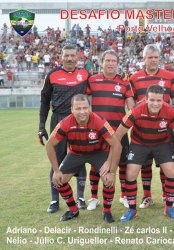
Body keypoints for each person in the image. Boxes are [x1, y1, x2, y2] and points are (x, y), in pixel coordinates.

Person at [115, 84, 174, 222]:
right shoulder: (136, 110)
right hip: (139, 143)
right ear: (146, 99)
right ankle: (132, 210)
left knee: (171, 171)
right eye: (152, 100)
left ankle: (168, 208)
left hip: (161, 143)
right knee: (131, 172)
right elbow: (118, 134)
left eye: (159, 100)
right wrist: (111, 162)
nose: (155, 103)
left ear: (163, 100)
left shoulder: (170, 111)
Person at [45, 94, 121, 222]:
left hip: (98, 153)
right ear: (72, 109)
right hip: (76, 154)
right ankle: (73, 210)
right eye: (78, 108)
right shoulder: (65, 123)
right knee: (59, 180)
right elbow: (49, 145)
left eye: (85, 108)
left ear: (90, 108)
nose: (82, 112)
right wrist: (56, 170)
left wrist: (111, 169)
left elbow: (116, 145)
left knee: (108, 179)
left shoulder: (98, 120)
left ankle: (107, 211)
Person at [129, 44, 174, 209]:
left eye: (156, 57)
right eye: (149, 57)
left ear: (160, 58)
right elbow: (131, 104)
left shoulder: (169, 76)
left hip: (164, 128)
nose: (153, 60)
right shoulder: (134, 77)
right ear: (143, 59)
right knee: (145, 164)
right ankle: (147, 196)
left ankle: (167, 195)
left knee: (164, 162)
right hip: (142, 129)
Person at [38, 44, 89, 214]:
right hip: (59, 119)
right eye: (66, 55)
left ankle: (81, 198)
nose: (69, 58)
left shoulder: (85, 75)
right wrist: (41, 126)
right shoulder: (52, 75)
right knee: (57, 160)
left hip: (80, 120)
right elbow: (44, 101)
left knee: (79, 156)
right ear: (61, 57)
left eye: (72, 55)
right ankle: (54, 200)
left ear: (77, 57)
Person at [86, 50, 135, 211]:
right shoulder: (92, 81)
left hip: (118, 132)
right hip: (98, 132)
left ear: (117, 63)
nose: (110, 63)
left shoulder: (124, 83)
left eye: (114, 61)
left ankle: (124, 196)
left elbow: (131, 108)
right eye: (107, 60)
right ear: (101, 62)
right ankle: (93, 197)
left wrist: (124, 126)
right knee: (96, 165)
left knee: (123, 164)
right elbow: (84, 104)